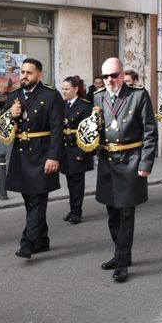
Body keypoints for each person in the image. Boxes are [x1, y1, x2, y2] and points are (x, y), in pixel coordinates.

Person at [94, 57, 157, 283]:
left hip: (131, 160)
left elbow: (150, 131)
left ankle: (121, 262)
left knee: (126, 213)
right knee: (112, 211)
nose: (109, 80)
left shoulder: (138, 95)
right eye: (105, 76)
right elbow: (95, 128)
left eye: (113, 75)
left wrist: (146, 163)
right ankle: (121, 253)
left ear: (121, 75)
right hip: (107, 162)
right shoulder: (97, 97)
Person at [0, 58, 63, 259]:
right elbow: (3, 125)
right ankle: (42, 240)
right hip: (21, 155)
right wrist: (10, 114)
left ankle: (27, 242)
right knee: (29, 199)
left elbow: (57, 129)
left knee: (37, 199)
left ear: (39, 75)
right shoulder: (14, 96)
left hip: (42, 154)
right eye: (23, 72)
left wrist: (53, 156)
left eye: (29, 73)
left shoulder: (51, 95)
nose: (24, 76)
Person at [59, 76, 94, 224]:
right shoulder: (62, 105)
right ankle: (72, 209)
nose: (64, 92)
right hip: (66, 150)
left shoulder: (85, 106)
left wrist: (83, 152)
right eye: (63, 89)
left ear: (76, 89)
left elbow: (89, 130)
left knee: (77, 183)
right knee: (70, 181)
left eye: (67, 89)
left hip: (78, 149)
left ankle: (76, 212)